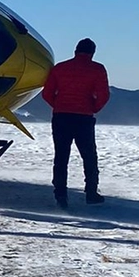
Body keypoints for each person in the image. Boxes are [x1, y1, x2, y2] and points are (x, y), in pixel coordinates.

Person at [41, 37, 111, 209]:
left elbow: (47, 93)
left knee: (61, 157)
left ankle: (60, 195)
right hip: (83, 119)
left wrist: (58, 105)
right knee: (89, 156)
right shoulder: (97, 69)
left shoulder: (60, 68)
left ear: (75, 51)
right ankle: (91, 193)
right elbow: (104, 95)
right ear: (92, 53)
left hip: (61, 117)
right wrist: (92, 108)